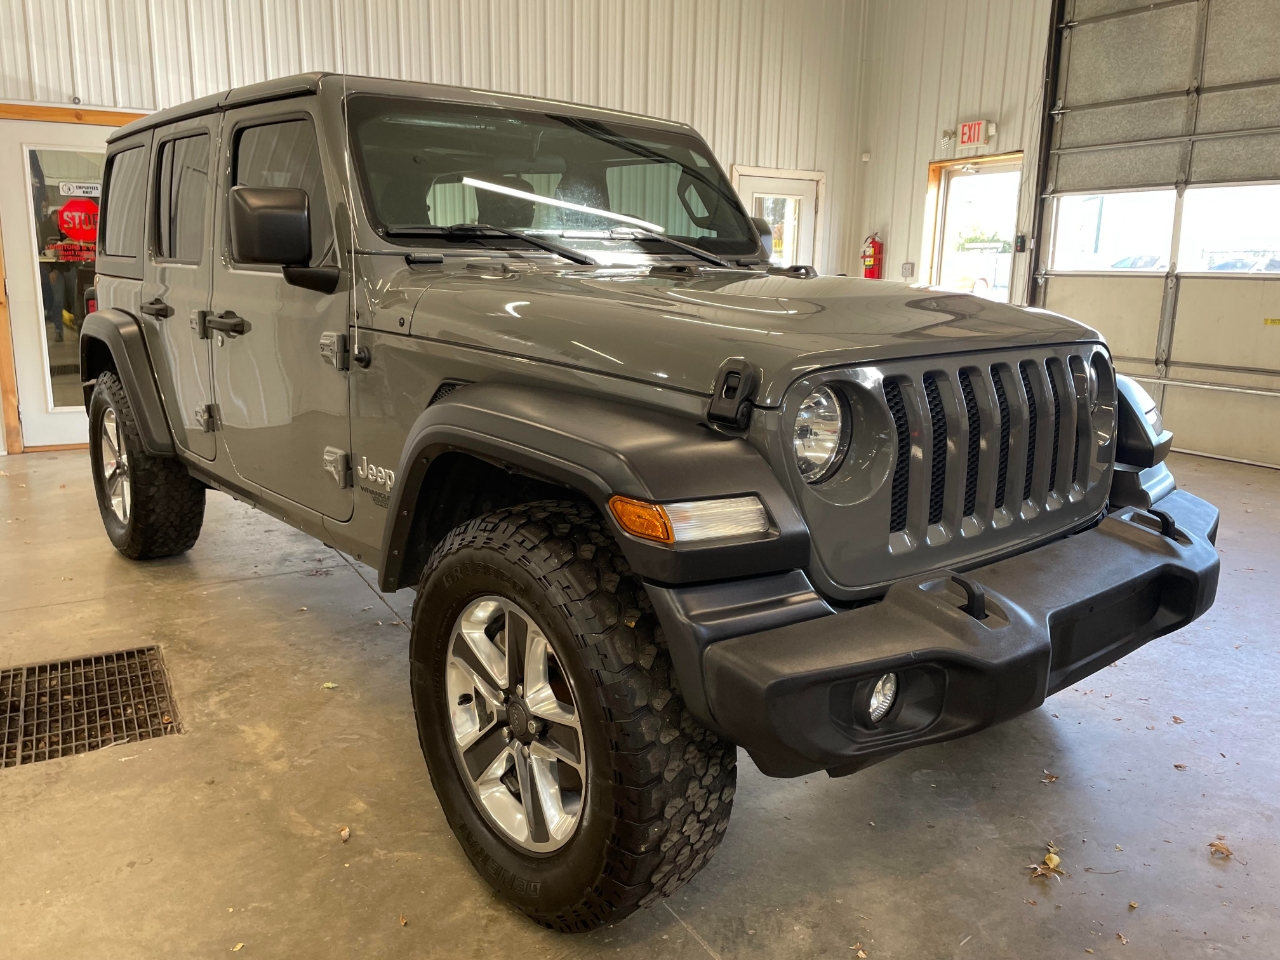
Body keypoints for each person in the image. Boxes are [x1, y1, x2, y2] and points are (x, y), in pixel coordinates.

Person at [42, 265, 65, 344]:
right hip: (53, 269)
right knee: (57, 300)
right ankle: (59, 330)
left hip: (73, 265)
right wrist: (52, 270)